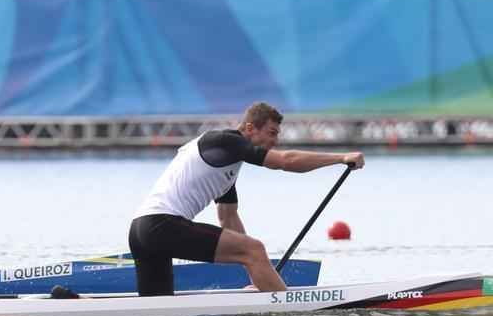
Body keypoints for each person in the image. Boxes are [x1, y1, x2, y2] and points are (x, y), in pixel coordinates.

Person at [128, 101, 364, 297]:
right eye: (271, 133)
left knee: (159, 315)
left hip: (140, 231)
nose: (275, 141)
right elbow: (285, 161)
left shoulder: (224, 165)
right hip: (162, 225)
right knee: (254, 248)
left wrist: (258, 276)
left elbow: (228, 218)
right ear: (250, 128)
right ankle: (290, 306)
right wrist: (341, 157)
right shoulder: (225, 142)